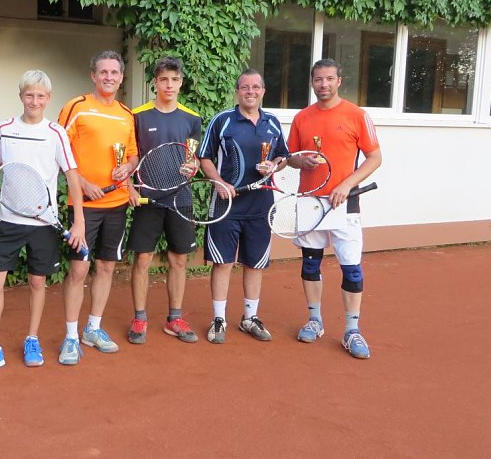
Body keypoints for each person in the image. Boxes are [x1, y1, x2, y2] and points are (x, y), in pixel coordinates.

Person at [0, 70, 87, 374]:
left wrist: (78, 222)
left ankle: (32, 339)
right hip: (9, 220)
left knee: (37, 282)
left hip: (44, 223)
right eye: (29, 95)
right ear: (21, 96)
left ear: (48, 99)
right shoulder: (5, 128)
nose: (34, 101)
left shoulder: (56, 133)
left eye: (40, 96)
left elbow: (72, 178)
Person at [286, 58, 382, 360]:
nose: (323, 85)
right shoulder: (302, 118)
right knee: (310, 264)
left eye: (329, 79)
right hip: (309, 201)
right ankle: (315, 321)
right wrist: (301, 161)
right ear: (312, 82)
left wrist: (346, 184)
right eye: (318, 80)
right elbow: (290, 157)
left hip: (345, 203)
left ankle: (352, 330)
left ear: (339, 80)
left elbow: (374, 158)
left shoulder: (357, 115)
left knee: (351, 268)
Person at [56, 50, 138, 365]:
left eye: (114, 72)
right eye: (103, 72)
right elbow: (59, 150)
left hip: (116, 204)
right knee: (79, 269)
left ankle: (93, 327)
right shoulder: (75, 107)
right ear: (93, 75)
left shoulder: (126, 114)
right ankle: (70, 336)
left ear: (121, 77)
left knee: (106, 267)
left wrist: (127, 170)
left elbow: (132, 154)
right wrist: (81, 182)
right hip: (83, 206)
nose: (108, 77)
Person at [197, 69, 287, 345]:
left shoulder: (272, 123)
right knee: (223, 262)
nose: (250, 91)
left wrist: (273, 165)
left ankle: (249, 318)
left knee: (254, 264)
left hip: (261, 206)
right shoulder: (222, 121)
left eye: (256, 87)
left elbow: (283, 155)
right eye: (245, 87)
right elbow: (204, 157)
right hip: (227, 206)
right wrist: (220, 182)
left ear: (263, 91)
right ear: (237, 91)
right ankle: (219, 318)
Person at [126, 57, 202, 344]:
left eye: (174, 79)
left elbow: (191, 160)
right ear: (155, 83)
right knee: (142, 258)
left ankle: (175, 319)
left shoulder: (192, 119)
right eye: (163, 79)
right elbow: (129, 157)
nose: (169, 85)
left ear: (181, 82)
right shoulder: (137, 116)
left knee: (179, 260)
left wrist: (191, 168)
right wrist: (130, 188)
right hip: (147, 199)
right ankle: (140, 318)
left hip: (180, 198)